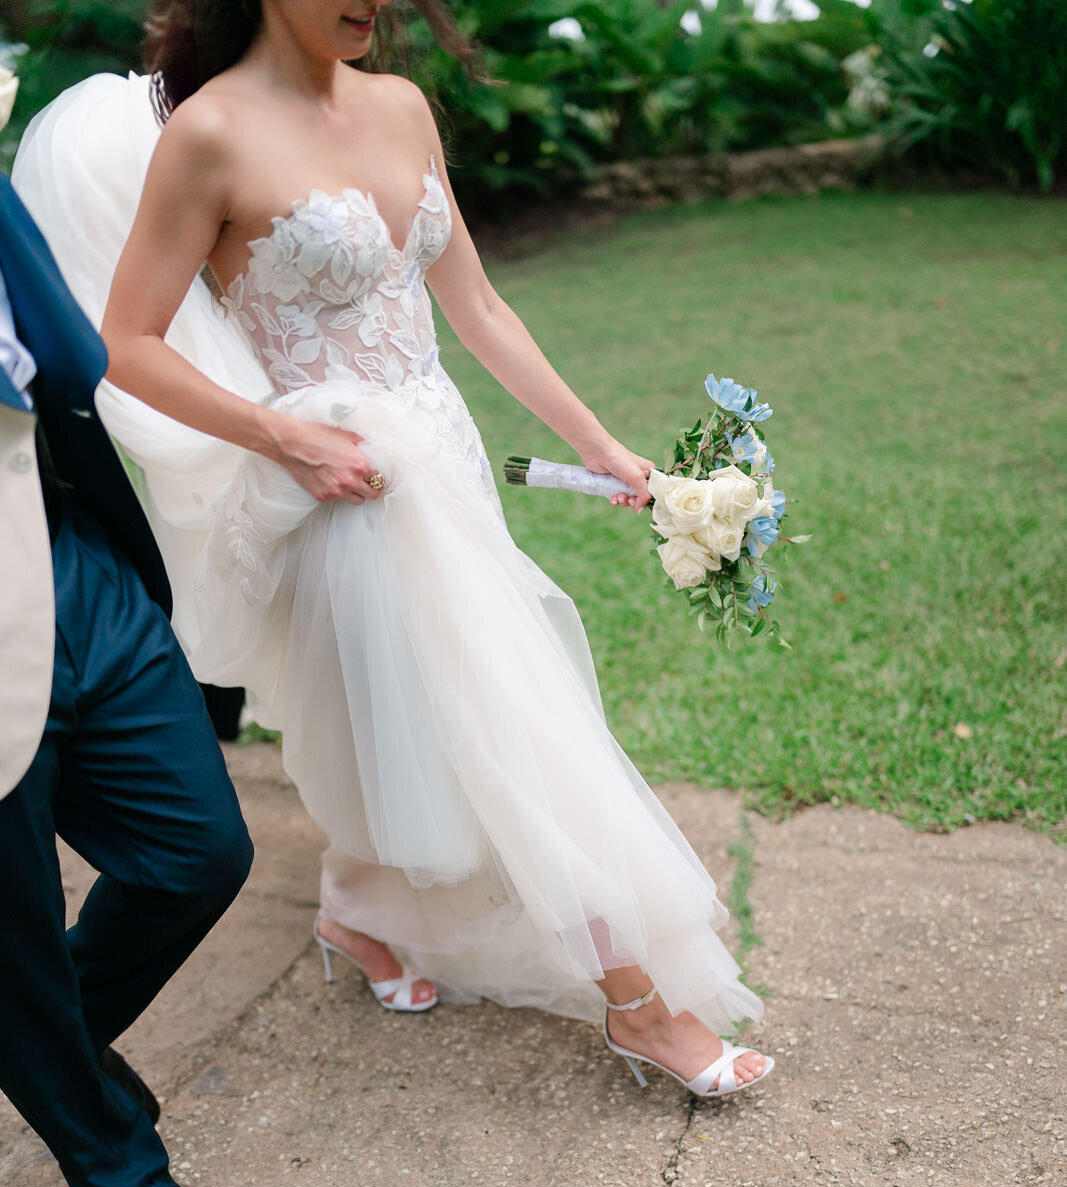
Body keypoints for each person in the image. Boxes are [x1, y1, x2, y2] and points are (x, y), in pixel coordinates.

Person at [14, 0, 774, 1099]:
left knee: (403, 722)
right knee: (518, 718)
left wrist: (609, 451)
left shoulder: (402, 105)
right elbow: (121, 344)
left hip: (446, 461)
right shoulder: (210, 133)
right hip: (346, 489)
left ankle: (357, 913)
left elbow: (477, 308)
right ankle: (641, 1004)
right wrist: (283, 435)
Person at [0, 73, 272, 1187]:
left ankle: (41, 1041)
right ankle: (130, 1185)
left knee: (197, 849)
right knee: (8, 936)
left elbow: (63, 354)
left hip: (66, 555)